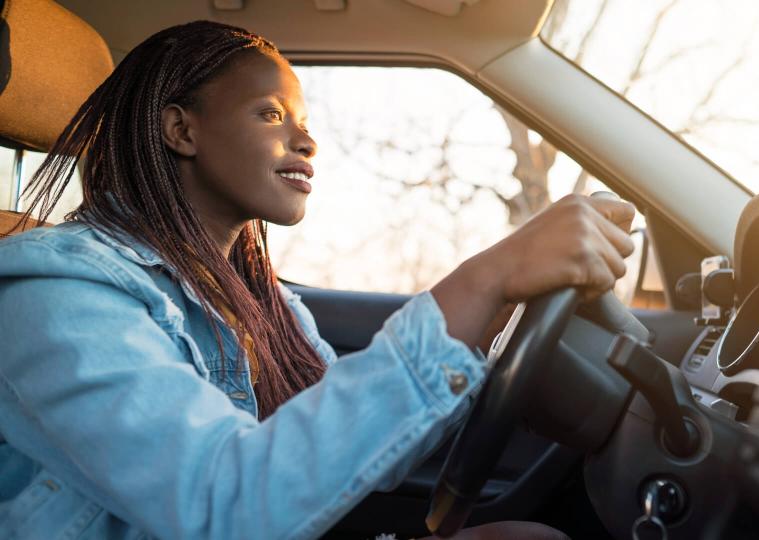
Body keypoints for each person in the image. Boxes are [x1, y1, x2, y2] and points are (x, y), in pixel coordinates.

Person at [0, 21, 635, 540]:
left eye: (302, 120)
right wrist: (480, 281)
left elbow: (341, 445)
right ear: (181, 130)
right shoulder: (58, 292)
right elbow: (222, 509)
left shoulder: (259, 300)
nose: (306, 140)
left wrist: (484, 330)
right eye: (271, 114)